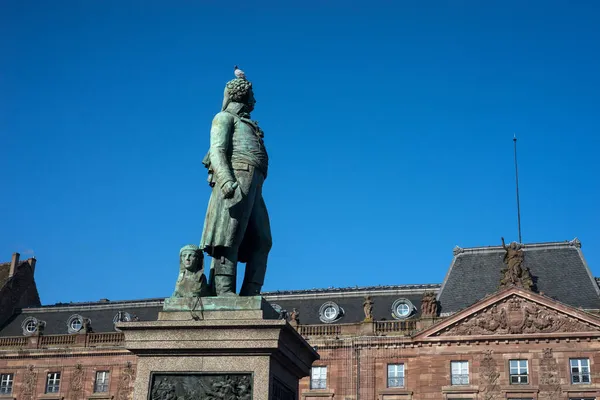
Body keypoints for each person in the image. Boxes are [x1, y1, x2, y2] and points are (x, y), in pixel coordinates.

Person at [200, 71, 272, 296]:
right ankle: (224, 291)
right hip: (237, 177)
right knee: (228, 235)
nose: (255, 100)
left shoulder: (247, 123)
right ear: (241, 95)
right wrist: (226, 181)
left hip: (255, 182)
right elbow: (217, 151)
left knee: (262, 240)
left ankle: (251, 291)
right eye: (252, 94)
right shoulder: (224, 118)